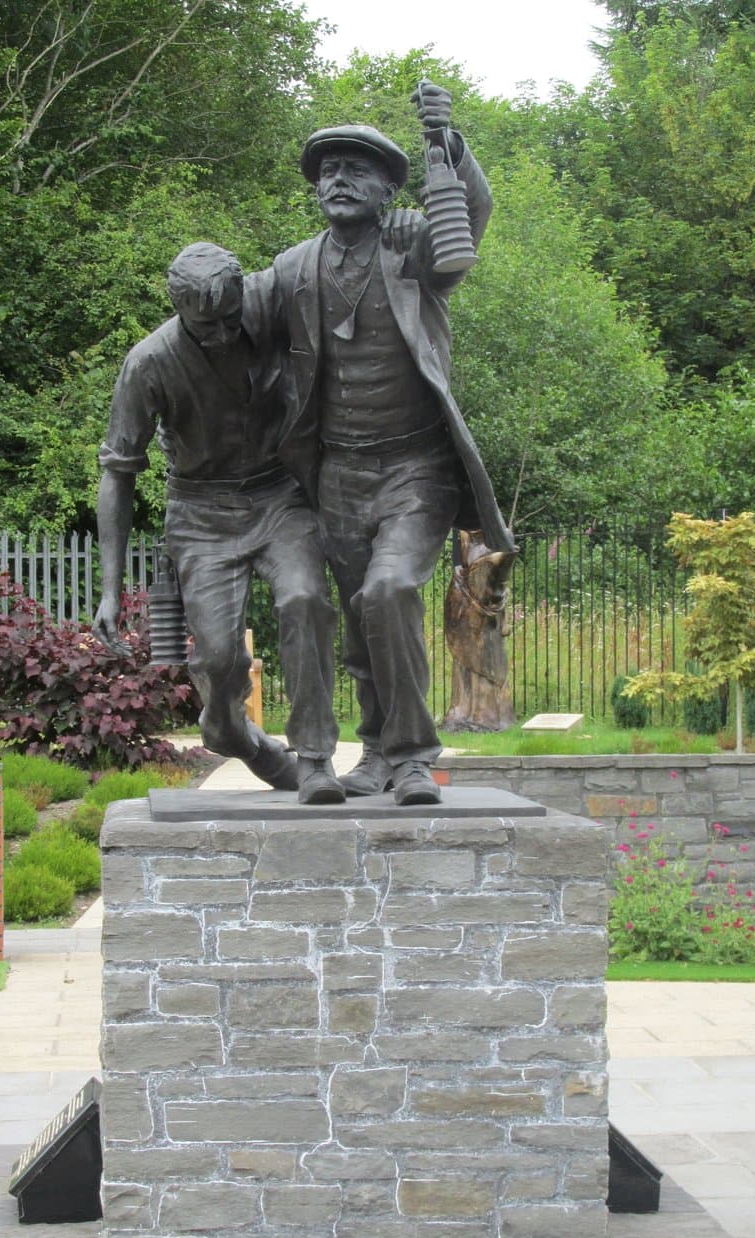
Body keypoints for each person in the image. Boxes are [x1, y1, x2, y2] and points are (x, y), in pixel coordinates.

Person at [257, 82, 515, 805]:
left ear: (387, 189)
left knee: (391, 588)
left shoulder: (413, 251)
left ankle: (412, 757)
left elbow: (475, 215)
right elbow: (236, 321)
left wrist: (449, 146)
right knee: (360, 619)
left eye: (357, 169)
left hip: (415, 465)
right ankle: (374, 753)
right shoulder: (292, 268)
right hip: (336, 471)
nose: (339, 180)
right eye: (328, 170)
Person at [93, 242, 344, 805]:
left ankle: (315, 758)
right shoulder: (149, 362)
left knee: (306, 600)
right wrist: (110, 591)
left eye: (233, 318)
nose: (227, 333)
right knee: (219, 661)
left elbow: (328, 267)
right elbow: (117, 472)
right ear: (181, 312)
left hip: (280, 494)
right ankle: (233, 732)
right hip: (201, 513)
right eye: (211, 328)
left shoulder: (267, 300)